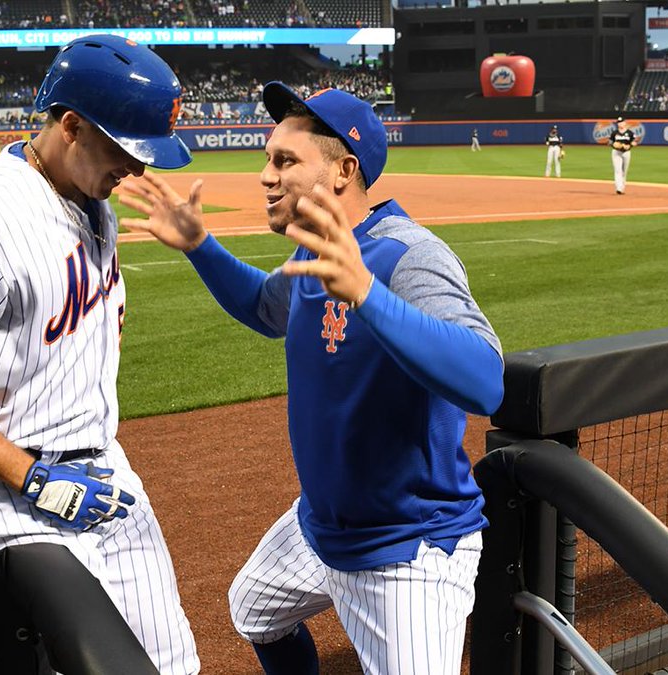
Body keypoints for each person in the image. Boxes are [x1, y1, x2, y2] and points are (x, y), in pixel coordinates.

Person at [119, 83, 504, 675]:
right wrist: (200, 244)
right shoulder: (313, 253)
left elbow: (485, 380)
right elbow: (265, 307)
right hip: (321, 525)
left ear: (345, 171)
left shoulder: (407, 256)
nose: (266, 176)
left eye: (285, 161)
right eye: (268, 158)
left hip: (406, 546)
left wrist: (370, 295)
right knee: (254, 609)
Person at [0, 34, 200, 674]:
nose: (137, 171)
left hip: (108, 474)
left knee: (174, 668)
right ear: (71, 125)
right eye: (125, 151)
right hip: (14, 497)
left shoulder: (89, 195)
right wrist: (32, 477)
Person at [609, 115, 638, 194]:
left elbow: (635, 141)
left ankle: (622, 187)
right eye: (618, 122)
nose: (620, 124)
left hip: (626, 153)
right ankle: (619, 188)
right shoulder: (614, 133)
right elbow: (610, 142)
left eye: (621, 122)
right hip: (616, 152)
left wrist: (630, 145)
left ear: (625, 123)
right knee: (617, 170)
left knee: (624, 171)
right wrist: (613, 144)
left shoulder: (630, 133)